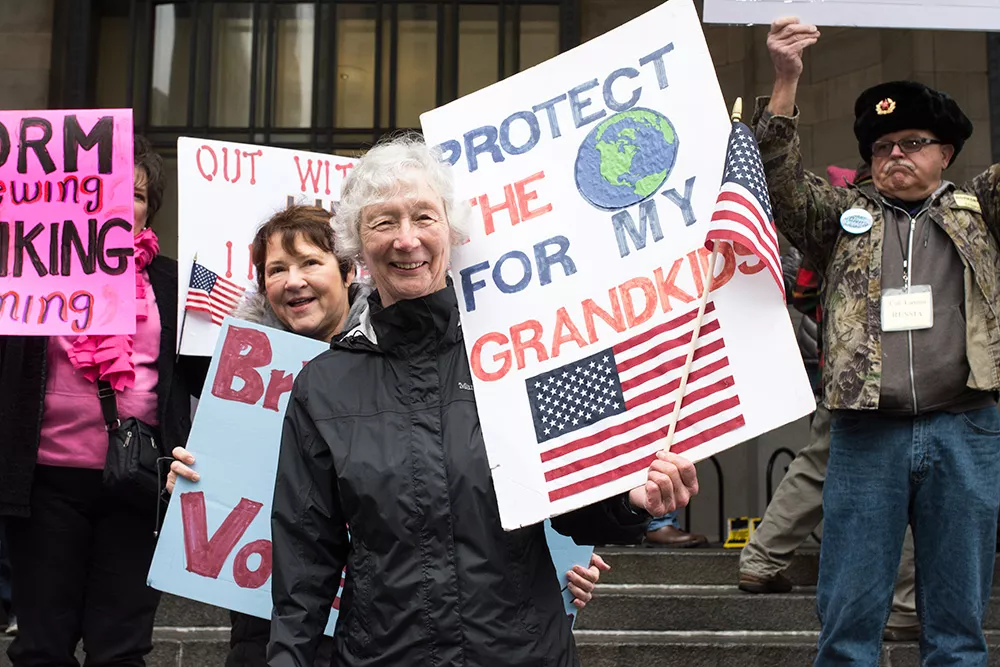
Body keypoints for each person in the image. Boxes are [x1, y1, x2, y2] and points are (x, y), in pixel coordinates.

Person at [266, 135, 700, 667]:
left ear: (452, 230)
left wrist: (631, 501)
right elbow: (305, 556)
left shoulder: (521, 355)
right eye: (383, 222)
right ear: (357, 243)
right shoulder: (323, 386)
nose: (406, 240)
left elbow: (577, 503)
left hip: (522, 654)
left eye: (423, 217)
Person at [166, 205, 613, 666]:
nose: (292, 280)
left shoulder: (475, 360)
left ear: (347, 270)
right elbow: (285, 530)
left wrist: (564, 563)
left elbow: (500, 489)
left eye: (309, 263)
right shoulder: (237, 384)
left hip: (412, 630)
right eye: (276, 269)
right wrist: (194, 486)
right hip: (288, 626)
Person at [758, 17, 1000, 666]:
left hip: (965, 426)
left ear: (946, 151)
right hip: (867, 433)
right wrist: (786, 78)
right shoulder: (842, 217)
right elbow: (778, 184)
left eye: (913, 142)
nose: (895, 154)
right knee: (848, 622)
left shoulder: (983, 212)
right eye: (882, 145)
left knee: (957, 629)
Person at [0, 136, 208, 667]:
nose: (122, 203)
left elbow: (213, 367)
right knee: (41, 648)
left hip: (141, 485)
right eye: (106, 189)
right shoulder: (29, 273)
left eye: (136, 194)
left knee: (121, 649)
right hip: (45, 486)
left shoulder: (181, 280)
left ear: (150, 207)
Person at [739, 242, 918, 643]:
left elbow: (802, 292)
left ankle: (761, 558)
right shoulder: (918, 219)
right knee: (906, 476)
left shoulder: (842, 217)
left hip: (847, 367)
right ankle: (904, 607)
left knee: (816, 466)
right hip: (907, 375)